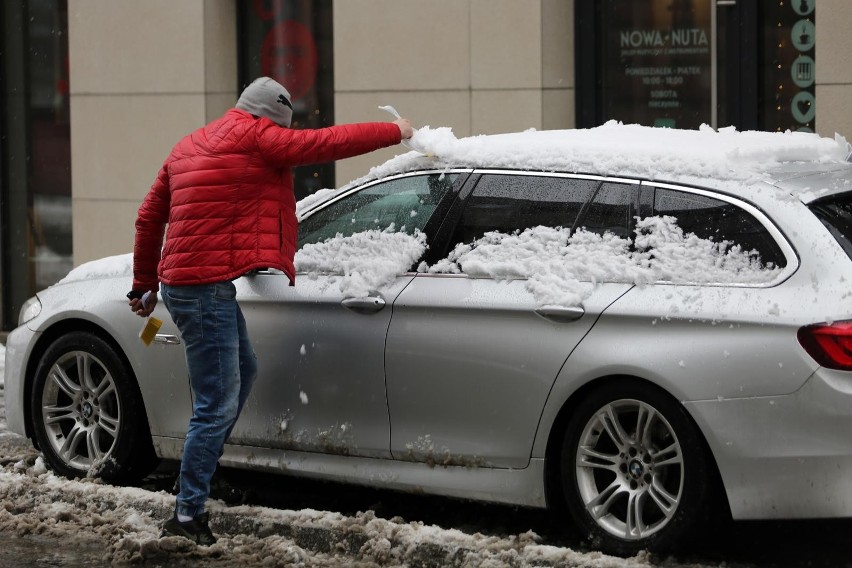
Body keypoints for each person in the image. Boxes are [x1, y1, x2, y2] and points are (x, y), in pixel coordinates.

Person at [128, 76, 413, 545]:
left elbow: (148, 216)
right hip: (203, 290)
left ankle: (198, 476)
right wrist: (394, 132)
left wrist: (143, 284)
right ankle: (186, 515)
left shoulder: (189, 144)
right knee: (216, 402)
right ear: (272, 117)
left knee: (243, 369)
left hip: (185, 285)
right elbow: (326, 142)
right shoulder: (258, 136)